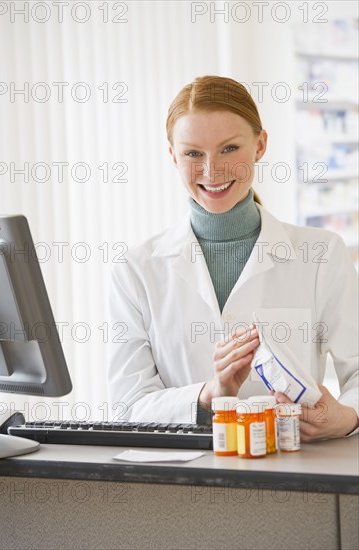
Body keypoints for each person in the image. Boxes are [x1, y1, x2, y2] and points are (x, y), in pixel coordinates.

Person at [108, 75, 359, 441]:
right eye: (194, 153)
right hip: (175, 482)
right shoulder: (137, 270)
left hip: (295, 476)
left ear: (260, 146)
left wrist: (348, 416)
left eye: (229, 149)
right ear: (173, 155)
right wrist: (211, 395)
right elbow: (127, 406)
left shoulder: (321, 254)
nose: (212, 170)